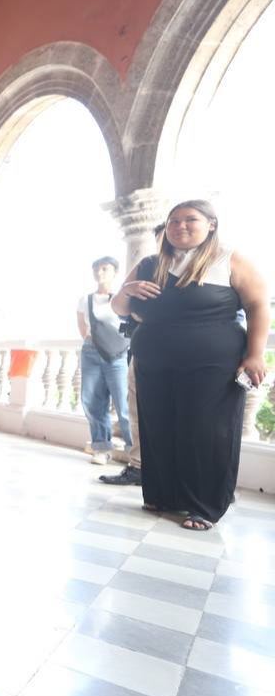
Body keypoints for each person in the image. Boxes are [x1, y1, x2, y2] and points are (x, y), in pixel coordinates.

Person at [112, 200, 269, 530]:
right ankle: (162, 494)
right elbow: (119, 308)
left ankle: (205, 506)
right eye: (174, 221)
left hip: (214, 363)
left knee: (206, 431)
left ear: (211, 224)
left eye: (190, 220)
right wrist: (128, 289)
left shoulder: (229, 259)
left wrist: (255, 355)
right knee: (158, 426)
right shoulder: (150, 262)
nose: (180, 226)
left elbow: (257, 305)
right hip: (154, 360)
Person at [101, 222, 166, 487]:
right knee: (137, 410)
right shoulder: (148, 267)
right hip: (144, 348)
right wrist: (130, 294)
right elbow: (121, 307)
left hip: (185, 356)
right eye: (163, 238)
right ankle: (138, 466)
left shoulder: (203, 272)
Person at [77, 256, 132, 466]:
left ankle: (133, 451)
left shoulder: (121, 298)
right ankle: (101, 447)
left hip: (117, 353)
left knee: (123, 402)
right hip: (91, 351)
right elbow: (83, 330)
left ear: (114, 272)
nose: (100, 273)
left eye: (104, 269)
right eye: (96, 269)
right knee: (92, 400)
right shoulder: (85, 300)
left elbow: (129, 325)